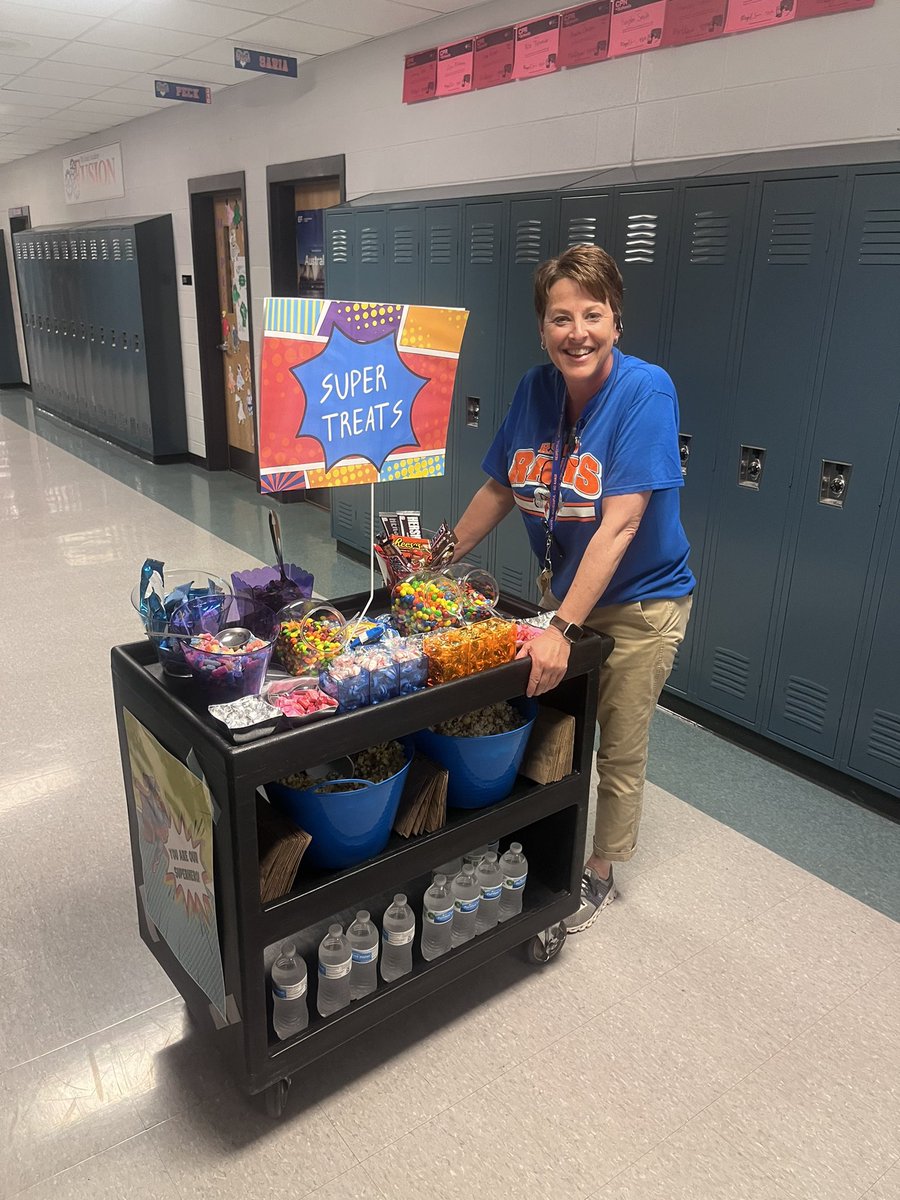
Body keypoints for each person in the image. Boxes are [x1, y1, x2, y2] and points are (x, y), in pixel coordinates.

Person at [451, 244, 694, 932]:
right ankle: (540, 835)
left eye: (593, 313)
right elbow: (502, 486)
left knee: (617, 741)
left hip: (640, 602)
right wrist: (433, 555)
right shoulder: (536, 389)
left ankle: (600, 870)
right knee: (553, 722)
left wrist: (557, 630)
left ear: (616, 320)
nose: (577, 331)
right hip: (567, 592)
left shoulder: (645, 392)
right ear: (543, 330)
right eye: (561, 317)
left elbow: (620, 527)